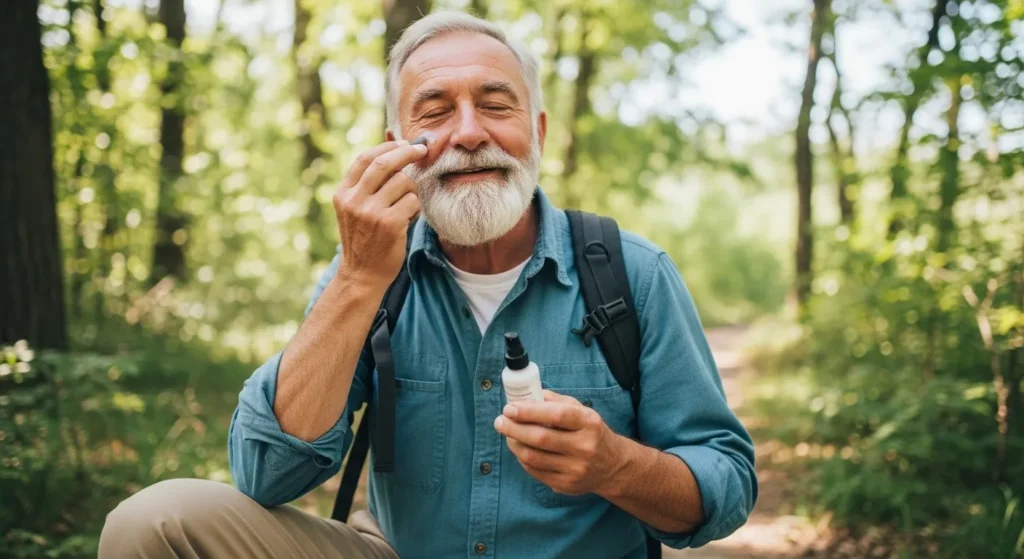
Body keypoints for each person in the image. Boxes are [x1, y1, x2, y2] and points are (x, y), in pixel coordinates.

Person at [98, 10, 757, 559]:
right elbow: (268, 472)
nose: (467, 134)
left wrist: (616, 464)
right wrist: (357, 278)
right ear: (396, 144)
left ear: (538, 132)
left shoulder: (630, 273)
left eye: (495, 106)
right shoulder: (367, 272)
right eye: (435, 112)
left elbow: (726, 482)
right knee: (153, 525)